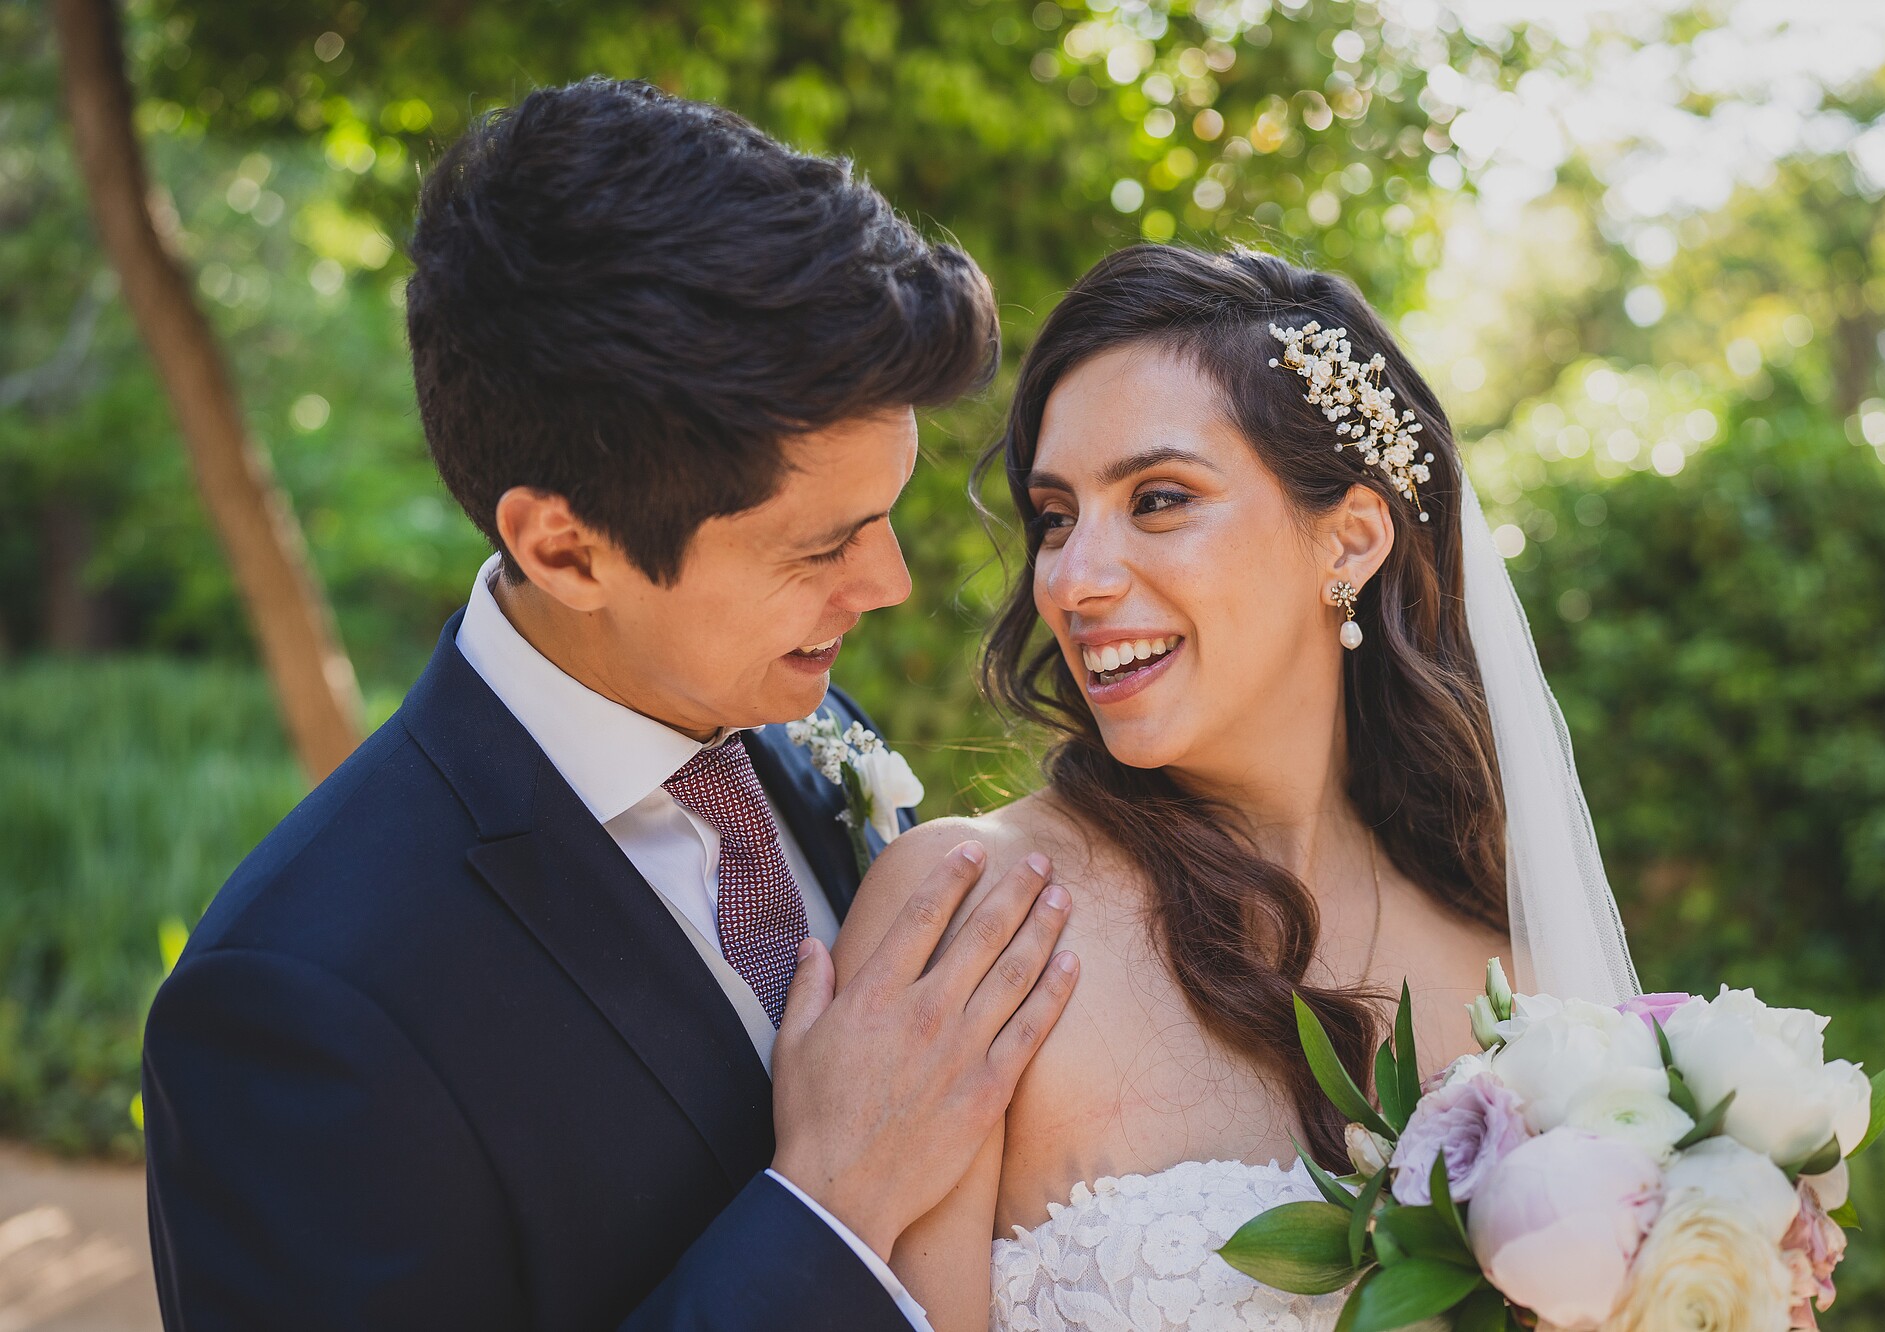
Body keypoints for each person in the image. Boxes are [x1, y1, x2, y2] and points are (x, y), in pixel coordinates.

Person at [141, 79, 1079, 1331]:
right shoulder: (298, 1008)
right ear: (566, 550)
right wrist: (831, 1201)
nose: (891, 583)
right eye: (821, 548)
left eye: (888, 514)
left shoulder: (808, 728)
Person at [834, 245, 1640, 1332]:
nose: (1072, 579)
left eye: (1158, 499)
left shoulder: (1516, 985)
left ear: (1349, 540)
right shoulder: (979, 914)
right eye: (1055, 517)